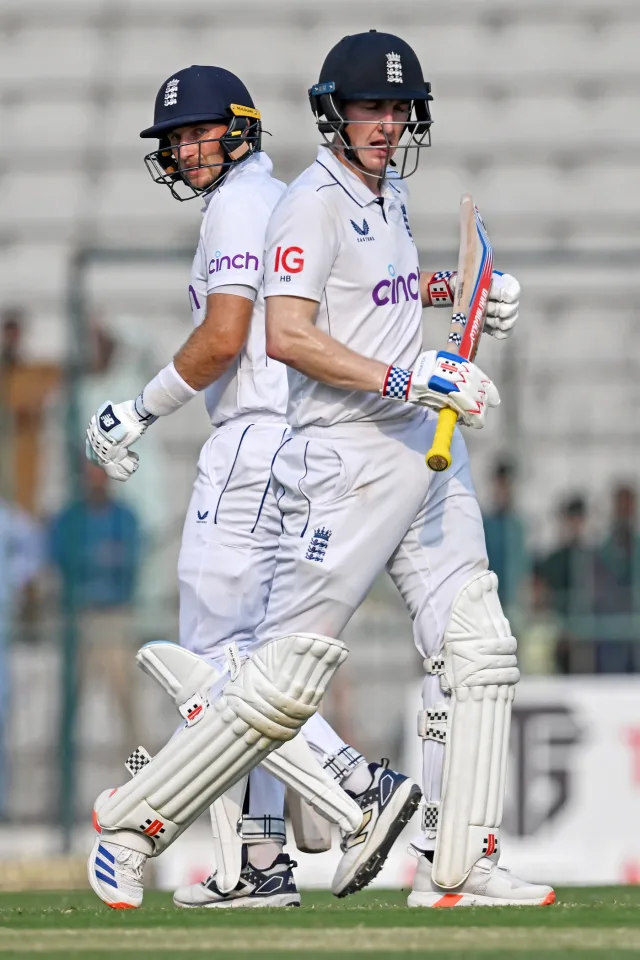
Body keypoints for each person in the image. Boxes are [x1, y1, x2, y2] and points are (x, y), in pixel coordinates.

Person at [85, 64, 420, 910]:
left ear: (239, 129)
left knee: (217, 664)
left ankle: (355, 790)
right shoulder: (287, 195)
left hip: (254, 440)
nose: (185, 151)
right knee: (251, 660)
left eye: (197, 133)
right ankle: (257, 860)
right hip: (291, 437)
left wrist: (137, 410)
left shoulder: (242, 202)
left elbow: (225, 334)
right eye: (174, 141)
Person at [49, 461, 141, 750]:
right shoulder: (69, 519)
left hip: (114, 617)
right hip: (80, 618)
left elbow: (127, 563)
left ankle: (137, 772)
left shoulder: (124, 517)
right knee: (69, 700)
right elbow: (62, 561)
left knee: (125, 701)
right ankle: (58, 778)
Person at [482, 460, 528, 613]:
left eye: (507, 485)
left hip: (514, 603)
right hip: (487, 599)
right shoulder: (484, 524)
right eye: (500, 485)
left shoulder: (518, 526)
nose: (503, 491)